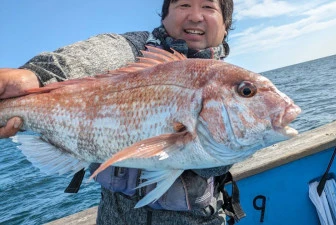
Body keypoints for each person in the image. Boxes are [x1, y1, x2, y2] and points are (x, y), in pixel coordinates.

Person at [0, 0, 243, 224]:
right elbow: (95, 53)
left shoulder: (230, 84)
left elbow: (211, 167)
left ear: (225, 26)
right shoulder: (134, 49)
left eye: (208, 7)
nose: (195, 16)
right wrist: (35, 76)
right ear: (164, 17)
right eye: (184, 4)